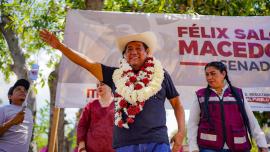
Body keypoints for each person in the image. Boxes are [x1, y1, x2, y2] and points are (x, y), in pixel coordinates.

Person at [40, 29, 185, 152]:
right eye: (129, 49)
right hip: (125, 144)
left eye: (138, 48)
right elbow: (87, 63)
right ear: (124, 56)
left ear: (147, 52)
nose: (133, 52)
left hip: (157, 142)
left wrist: (181, 132)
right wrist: (60, 46)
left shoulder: (161, 75)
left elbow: (177, 104)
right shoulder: (116, 75)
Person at [187, 61, 268, 152]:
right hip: (209, 147)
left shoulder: (238, 93)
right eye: (207, 74)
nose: (209, 77)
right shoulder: (200, 95)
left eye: (213, 74)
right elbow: (192, 124)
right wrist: (193, 148)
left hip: (238, 147)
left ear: (223, 74)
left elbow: (251, 120)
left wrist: (262, 143)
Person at [77, 81, 115, 152]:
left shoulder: (118, 104)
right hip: (92, 149)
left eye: (102, 84)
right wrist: (82, 147)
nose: (99, 87)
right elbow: (82, 126)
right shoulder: (91, 105)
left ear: (110, 87)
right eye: (97, 85)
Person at [0, 79, 33, 152]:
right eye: (18, 89)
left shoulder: (29, 112)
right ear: (10, 96)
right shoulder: (3, 110)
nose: (22, 91)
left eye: (25, 90)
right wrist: (12, 122)